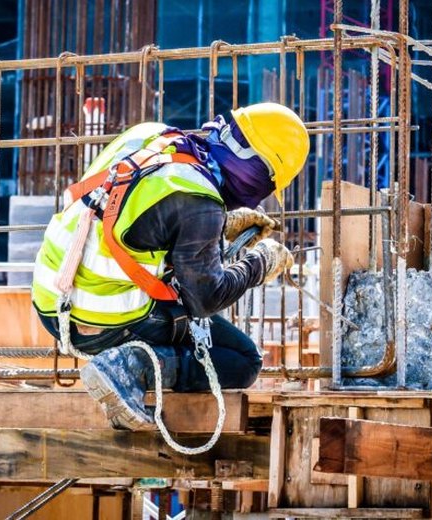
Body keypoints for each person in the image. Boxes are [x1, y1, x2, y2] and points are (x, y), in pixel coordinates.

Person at [32, 102, 310, 430]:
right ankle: (130, 366)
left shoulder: (151, 136)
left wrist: (218, 225)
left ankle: (127, 361)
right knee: (241, 360)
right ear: (258, 173)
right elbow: (205, 299)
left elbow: (125, 212)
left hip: (51, 300)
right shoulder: (199, 203)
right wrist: (259, 264)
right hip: (97, 321)